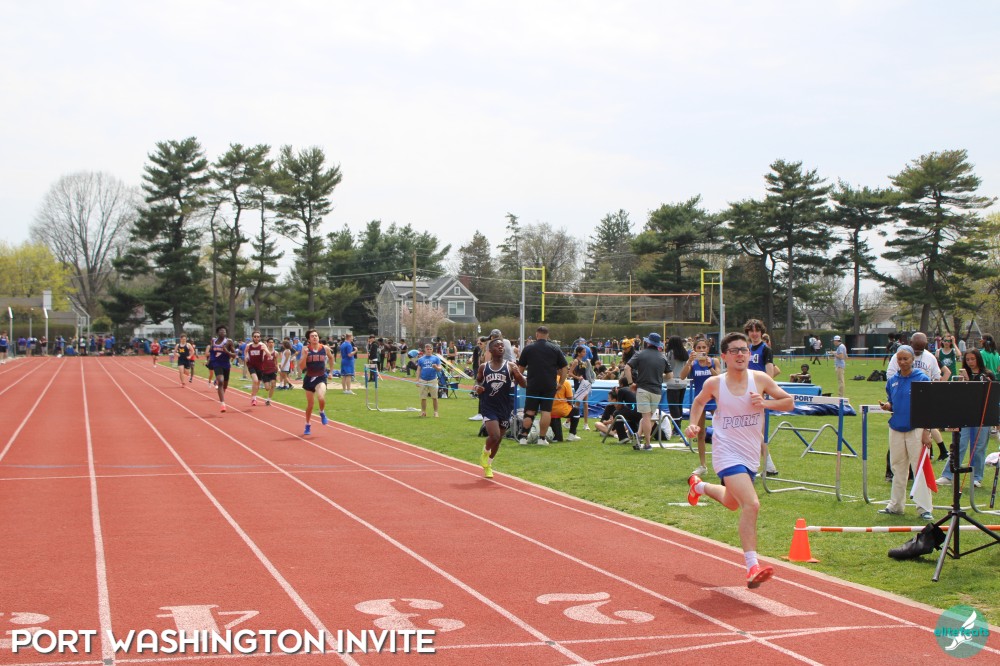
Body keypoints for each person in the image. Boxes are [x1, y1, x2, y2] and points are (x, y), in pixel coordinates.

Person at [685, 332, 794, 589]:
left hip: (750, 454)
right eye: (734, 351)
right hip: (726, 452)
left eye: (744, 350)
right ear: (724, 356)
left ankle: (698, 486)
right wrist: (692, 424)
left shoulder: (760, 379)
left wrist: (765, 403)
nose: (740, 354)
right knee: (751, 504)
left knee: (732, 502)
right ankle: (752, 566)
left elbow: (788, 402)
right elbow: (698, 403)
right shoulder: (715, 383)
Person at [878, 345, 933, 520]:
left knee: (919, 468)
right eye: (899, 359)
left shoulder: (922, 379)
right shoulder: (892, 380)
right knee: (897, 467)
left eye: (905, 359)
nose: (902, 362)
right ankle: (895, 505)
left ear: (912, 360)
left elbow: (928, 407)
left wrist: (926, 431)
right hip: (896, 428)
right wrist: (888, 406)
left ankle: (924, 508)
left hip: (916, 429)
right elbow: (893, 402)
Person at [886, 332, 950, 464]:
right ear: (911, 344)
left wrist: (935, 392)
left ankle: (941, 450)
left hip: (920, 416)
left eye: (921, 350)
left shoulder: (930, 359)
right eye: (916, 349)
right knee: (898, 461)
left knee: (918, 461)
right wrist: (890, 404)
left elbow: (939, 376)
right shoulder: (897, 360)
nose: (902, 362)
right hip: (900, 417)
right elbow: (891, 380)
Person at [937, 349, 995, 489]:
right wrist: (962, 381)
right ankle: (948, 475)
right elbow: (959, 395)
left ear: (978, 359)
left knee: (979, 447)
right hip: (965, 415)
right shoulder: (962, 375)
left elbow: (987, 395)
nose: (970, 362)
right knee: (959, 444)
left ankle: (977, 477)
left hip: (982, 416)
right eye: (967, 359)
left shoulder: (987, 375)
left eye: (973, 359)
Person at [474, 339, 527, 478]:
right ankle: (485, 452)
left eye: (502, 345)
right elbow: (478, 380)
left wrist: (518, 374)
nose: (500, 347)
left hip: (505, 406)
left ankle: (488, 465)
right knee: (494, 435)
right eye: (497, 345)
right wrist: (477, 387)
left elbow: (524, 384)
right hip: (489, 405)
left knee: (499, 439)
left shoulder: (511, 366)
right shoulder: (484, 367)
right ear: (490, 350)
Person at [516, 326, 569, 445]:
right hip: (549, 385)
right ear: (547, 335)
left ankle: (523, 438)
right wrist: (561, 383)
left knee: (529, 411)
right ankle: (542, 438)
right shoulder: (555, 348)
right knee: (546, 411)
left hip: (533, 384)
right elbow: (565, 367)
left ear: (536, 335)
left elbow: (520, 369)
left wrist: (520, 382)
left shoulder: (528, 348)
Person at [624, 332, 673, 451]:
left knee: (645, 417)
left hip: (643, 389)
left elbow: (627, 368)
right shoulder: (663, 357)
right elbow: (670, 376)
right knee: (649, 417)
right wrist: (659, 378)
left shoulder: (640, 354)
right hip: (657, 390)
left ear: (647, 342)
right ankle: (639, 436)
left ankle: (647, 443)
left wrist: (630, 384)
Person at [744, 319, 779, 475]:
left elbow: (770, 374)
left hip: (759, 395)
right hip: (746, 393)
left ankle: (768, 465)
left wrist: (762, 390)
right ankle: (762, 465)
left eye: (757, 330)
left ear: (761, 332)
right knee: (751, 430)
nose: (754, 333)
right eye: (751, 331)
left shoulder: (766, 350)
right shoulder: (747, 349)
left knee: (757, 431)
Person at [680, 336, 719, 476]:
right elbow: (682, 376)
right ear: (694, 349)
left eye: (704, 347)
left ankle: (724, 462)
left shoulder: (714, 361)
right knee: (700, 433)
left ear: (708, 349)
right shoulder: (693, 363)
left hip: (714, 399)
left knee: (722, 431)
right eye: (699, 348)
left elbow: (719, 378)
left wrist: (709, 366)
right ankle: (703, 465)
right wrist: (689, 362)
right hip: (700, 400)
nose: (701, 350)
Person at [298, 329, 334, 434]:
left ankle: (322, 412)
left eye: (316, 335)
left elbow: (331, 358)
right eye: (312, 336)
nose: (315, 337)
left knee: (321, 397)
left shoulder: (325, 348)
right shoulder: (305, 349)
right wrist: (305, 355)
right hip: (309, 379)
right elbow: (301, 367)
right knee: (310, 405)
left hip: (320, 378)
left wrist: (331, 372)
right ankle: (307, 424)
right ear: (309, 339)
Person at [208, 326, 237, 412]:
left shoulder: (229, 342)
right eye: (221, 331)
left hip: (226, 364)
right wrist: (209, 360)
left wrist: (226, 351)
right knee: (220, 381)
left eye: (224, 331)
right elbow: (211, 351)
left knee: (225, 384)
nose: (223, 332)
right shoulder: (213, 341)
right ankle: (223, 404)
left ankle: (222, 392)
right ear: (218, 332)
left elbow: (234, 355)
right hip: (216, 363)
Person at [568, 345, 595, 431]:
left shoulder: (583, 361)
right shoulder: (576, 361)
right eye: (583, 352)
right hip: (579, 384)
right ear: (578, 353)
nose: (585, 353)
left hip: (584, 383)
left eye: (585, 352)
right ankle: (573, 422)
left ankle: (584, 424)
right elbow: (570, 373)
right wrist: (577, 378)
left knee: (583, 403)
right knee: (579, 404)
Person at [549, 375, 582, 442]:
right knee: (576, 410)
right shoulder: (565, 382)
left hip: (548, 410)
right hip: (562, 410)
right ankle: (572, 434)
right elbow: (570, 399)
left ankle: (556, 437)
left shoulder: (547, 380)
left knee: (558, 438)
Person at [416, 343, 443, 417]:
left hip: (433, 380)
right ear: (425, 350)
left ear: (432, 350)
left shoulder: (436, 358)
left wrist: (436, 367)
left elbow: (440, 369)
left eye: (430, 349)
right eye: (427, 349)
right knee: (423, 397)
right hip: (423, 380)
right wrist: (417, 380)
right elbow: (418, 370)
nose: (429, 350)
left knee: (435, 397)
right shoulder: (421, 359)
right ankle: (423, 412)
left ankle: (436, 412)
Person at [245, 330, 266, 406]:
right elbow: (245, 352)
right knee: (255, 380)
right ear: (252, 337)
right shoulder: (249, 346)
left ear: (260, 338)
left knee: (257, 383)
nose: (256, 338)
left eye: (258, 337)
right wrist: (246, 357)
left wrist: (266, 353)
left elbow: (267, 353)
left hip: (260, 366)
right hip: (251, 365)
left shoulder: (262, 345)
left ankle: (254, 396)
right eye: (255, 337)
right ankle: (254, 399)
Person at [260, 337, 279, 406]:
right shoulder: (264, 352)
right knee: (267, 388)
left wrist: (278, 368)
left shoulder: (276, 353)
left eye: (272, 342)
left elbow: (276, 362)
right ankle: (264, 383)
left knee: (273, 384)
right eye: (270, 342)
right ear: (267, 343)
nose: (271, 344)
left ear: (274, 344)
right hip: (265, 371)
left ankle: (268, 400)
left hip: (272, 370)